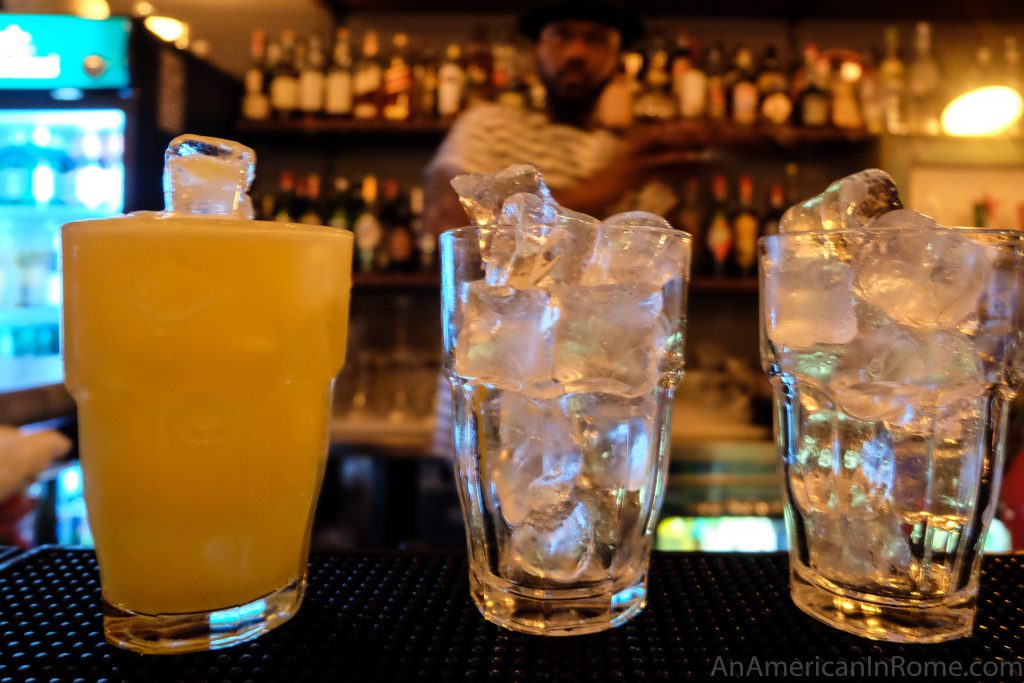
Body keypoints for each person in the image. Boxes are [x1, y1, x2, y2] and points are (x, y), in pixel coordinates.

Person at [423, 0, 696, 236]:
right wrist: (605, 187)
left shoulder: (626, 152)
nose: (576, 52)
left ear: (618, 60)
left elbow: (662, 262)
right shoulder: (487, 127)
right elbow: (450, 232)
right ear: (535, 54)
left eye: (595, 38)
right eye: (561, 35)